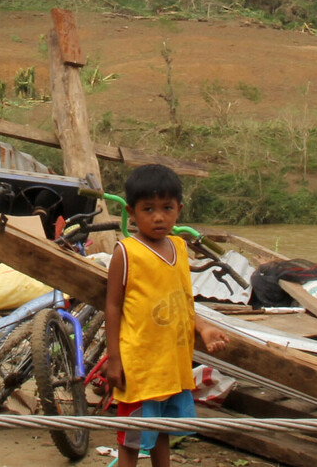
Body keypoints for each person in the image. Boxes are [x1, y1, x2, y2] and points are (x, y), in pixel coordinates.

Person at [102, 164, 230, 467]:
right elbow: (112, 307)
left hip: (172, 366)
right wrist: (115, 359)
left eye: (166, 207)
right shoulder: (127, 252)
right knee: (131, 440)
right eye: (148, 209)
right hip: (140, 368)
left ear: (179, 209)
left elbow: (182, 301)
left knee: (162, 432)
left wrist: (204, 328)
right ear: (132, 213)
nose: (158, 217)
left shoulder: (180, 248)